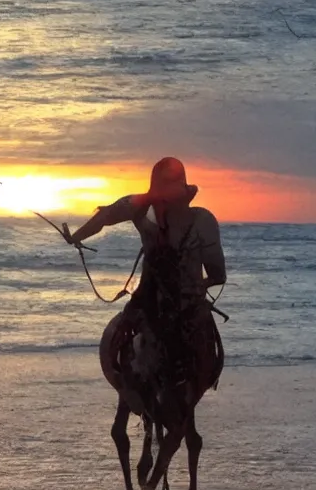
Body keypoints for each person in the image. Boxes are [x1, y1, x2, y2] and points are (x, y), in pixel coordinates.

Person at [62, 157, 225, 384]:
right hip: (182, 299)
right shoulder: (203, 219)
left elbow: (104, 216)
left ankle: (125, 382)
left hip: (151, 296)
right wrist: (198, 285)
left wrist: (76, 237)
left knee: (123, 332)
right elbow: (218, 275)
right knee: (205, 347)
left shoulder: (140, 206)